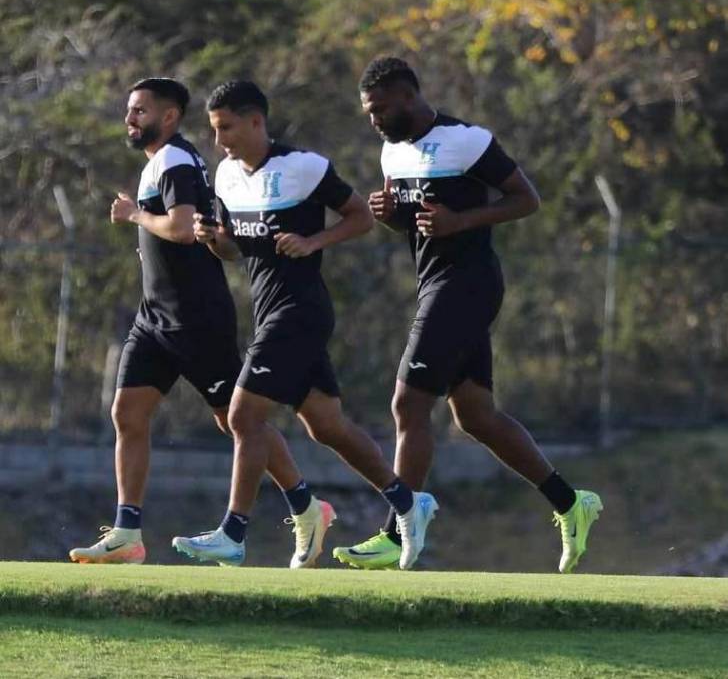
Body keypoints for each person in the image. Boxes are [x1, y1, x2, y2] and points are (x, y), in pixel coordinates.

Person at [333, 56, 601, 573]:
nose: (374, 120)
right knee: (475, 416)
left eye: (380, 109)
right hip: (434, 284)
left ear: (409, 97)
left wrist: (463, 220)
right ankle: (571, 503)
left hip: (469, 285)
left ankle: (398, 528)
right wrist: (394, 219)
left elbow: (526, 199)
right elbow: (420, 227)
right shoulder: (391, 152)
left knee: (408, 403)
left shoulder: (466, 140)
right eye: (368, 112)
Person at [69, 77, 325, 568]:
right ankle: (126, 533)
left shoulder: (175, 161)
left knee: (235, 420)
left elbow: (183, 229)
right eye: (130, 110)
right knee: (127, 413)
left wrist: (134, 217)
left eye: (140, 111)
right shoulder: (163, 162)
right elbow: (211, 237)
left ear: (168, 117)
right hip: (155, 318)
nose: (130, 119)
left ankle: (307, 508)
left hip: (194, 319)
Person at [173, 79, 426, 567]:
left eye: (226, 127)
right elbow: (233, 249)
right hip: (268, 311)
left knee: (243, 416)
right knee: (326, 426)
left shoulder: (302, 167)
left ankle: (234, 532)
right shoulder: (225, 176)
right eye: (214, 129)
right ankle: (409, 503)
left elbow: (360, 217)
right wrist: (213, 237)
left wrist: (314, 242)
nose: (220, 139)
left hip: (301, 311)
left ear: (256, 121)